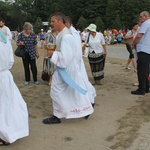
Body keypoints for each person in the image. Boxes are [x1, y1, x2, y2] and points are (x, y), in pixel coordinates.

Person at [42, 12, 94, 124]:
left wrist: (53, 54)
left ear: (60, 21)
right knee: (71, 90)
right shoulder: (63, 34)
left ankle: (59, 115)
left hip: (65, 68)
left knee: (57, 90)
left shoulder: (66, 36)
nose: (51, 24)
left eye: (53, 21)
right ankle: (84, 109)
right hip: (65, 67)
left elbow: (65, 58)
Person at [64, 16, 96, 118]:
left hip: (75, 64)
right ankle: (88, 102)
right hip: (74, 64)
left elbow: (77, 52)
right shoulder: (71, 33)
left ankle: (89, 103)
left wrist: (74, 65)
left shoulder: (72, 34)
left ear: (67, 24)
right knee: (81, 84)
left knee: (81, 85)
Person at [0, 31, 29, 146]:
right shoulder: (3, 37)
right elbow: (10, 60)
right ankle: (11, 131)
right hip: (6, 75)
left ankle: (5, 134)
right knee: (9, 105)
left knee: (3, 106)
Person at [131, 11, 150, 95]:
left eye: (141, 17)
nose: (140, 18)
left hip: (143, 49)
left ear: (145, 16)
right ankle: (146, 87)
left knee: (142, 70)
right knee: (146, 70)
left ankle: (141, 88)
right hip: (148, 49)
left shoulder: (145, 23)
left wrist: (133, 43)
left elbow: (139, 35)